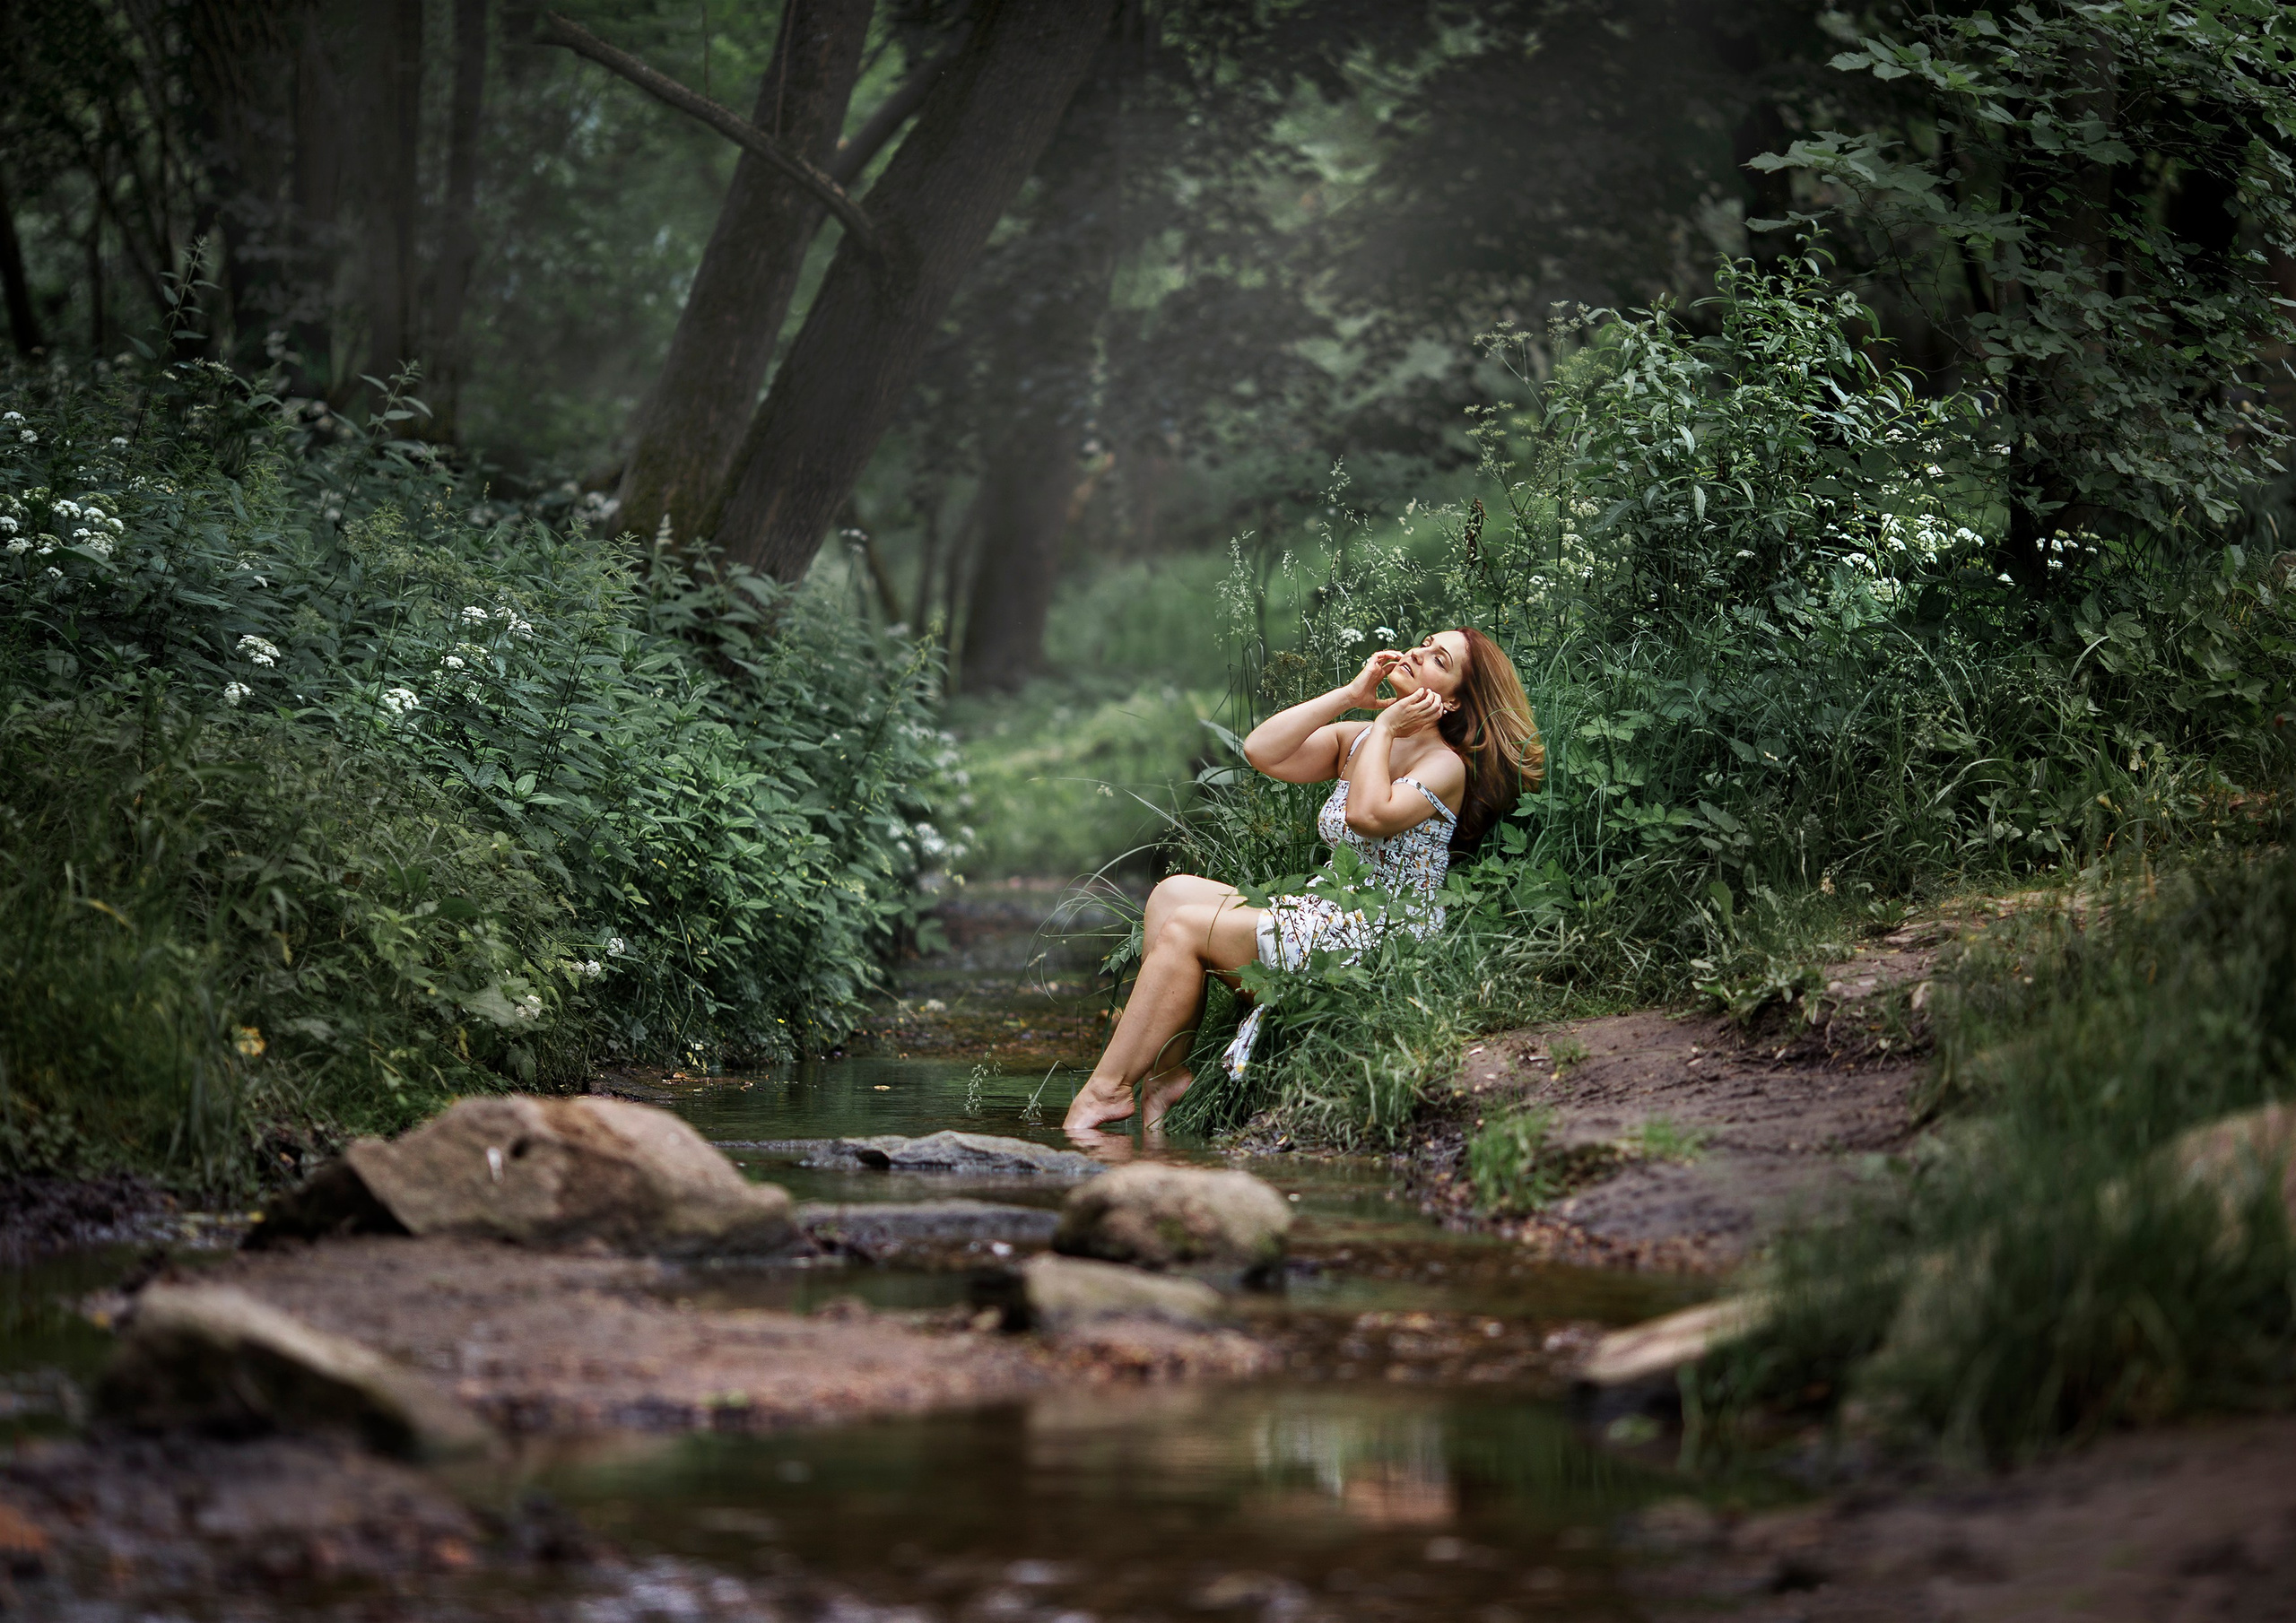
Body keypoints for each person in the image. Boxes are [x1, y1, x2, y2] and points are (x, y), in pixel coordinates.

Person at [1063, 628, 1544, 1137]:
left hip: (1381, 933)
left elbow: (1365, 815)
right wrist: (1351, 698)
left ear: (1450, 701)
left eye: (1438, 659)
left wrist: (1383, 729)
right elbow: (1261, 750)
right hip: (1327, 911)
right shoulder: (1359, 737)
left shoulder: (1444, 765)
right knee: (1172, 894)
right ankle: (1166, 1074)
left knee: (1186, 929)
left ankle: (1106, 1090)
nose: (1417, 652)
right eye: (1423, 642)